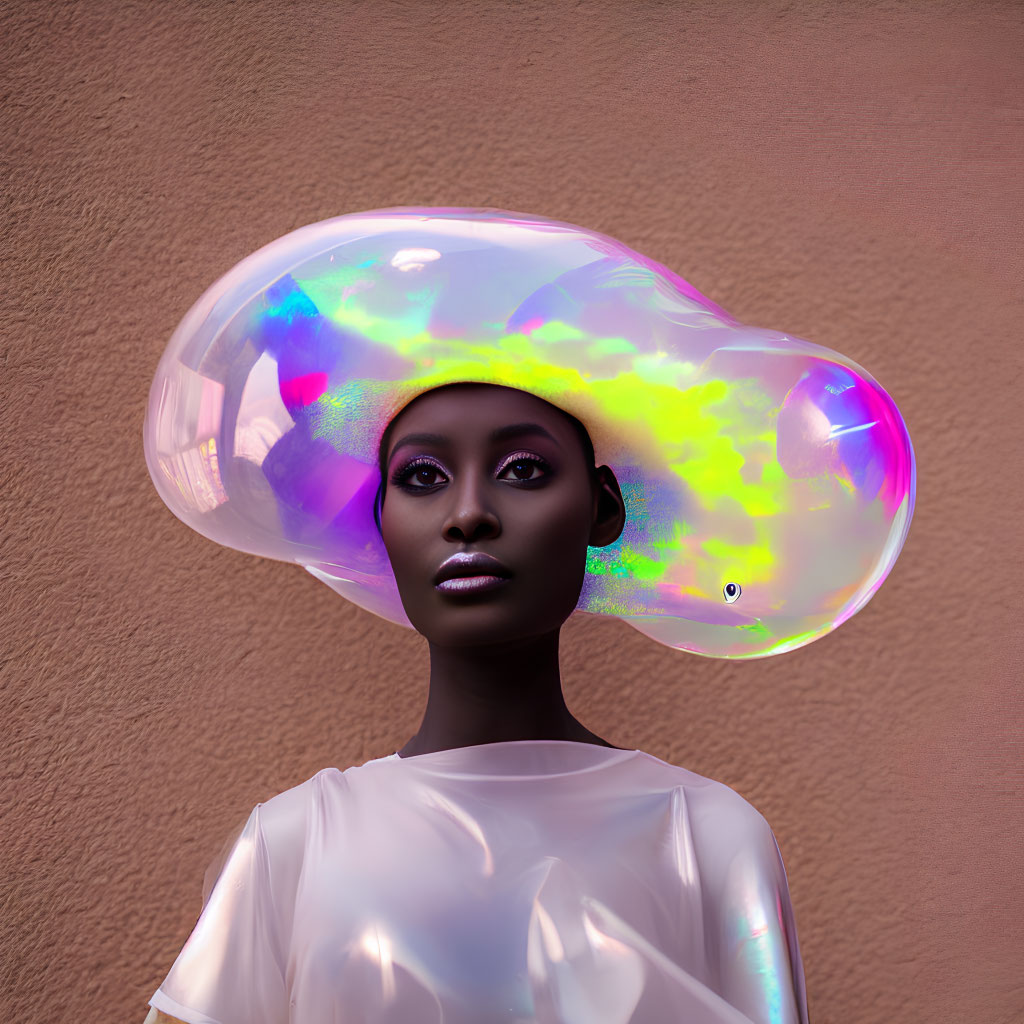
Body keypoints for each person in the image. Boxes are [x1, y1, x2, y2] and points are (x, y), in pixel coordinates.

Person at [142, 206, 913, 1022]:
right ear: (378, 525)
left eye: (521, 469)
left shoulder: (708, 838)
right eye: (422, 478)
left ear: (603, 512)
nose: (468, 513)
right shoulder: (292, 846)